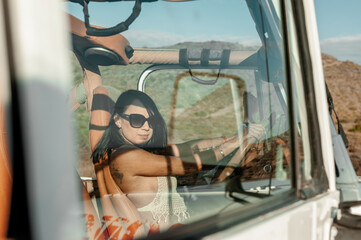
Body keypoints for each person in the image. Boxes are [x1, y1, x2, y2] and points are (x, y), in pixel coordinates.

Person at [89, 87, 264, 235]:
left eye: (151, 120)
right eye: (137, 120)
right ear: (118, 120)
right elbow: (188, 166)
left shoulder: (138, 151)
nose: (146, 127)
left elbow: (190, 148)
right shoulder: (126, 157)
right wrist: (234, 143)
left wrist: (232, 138)